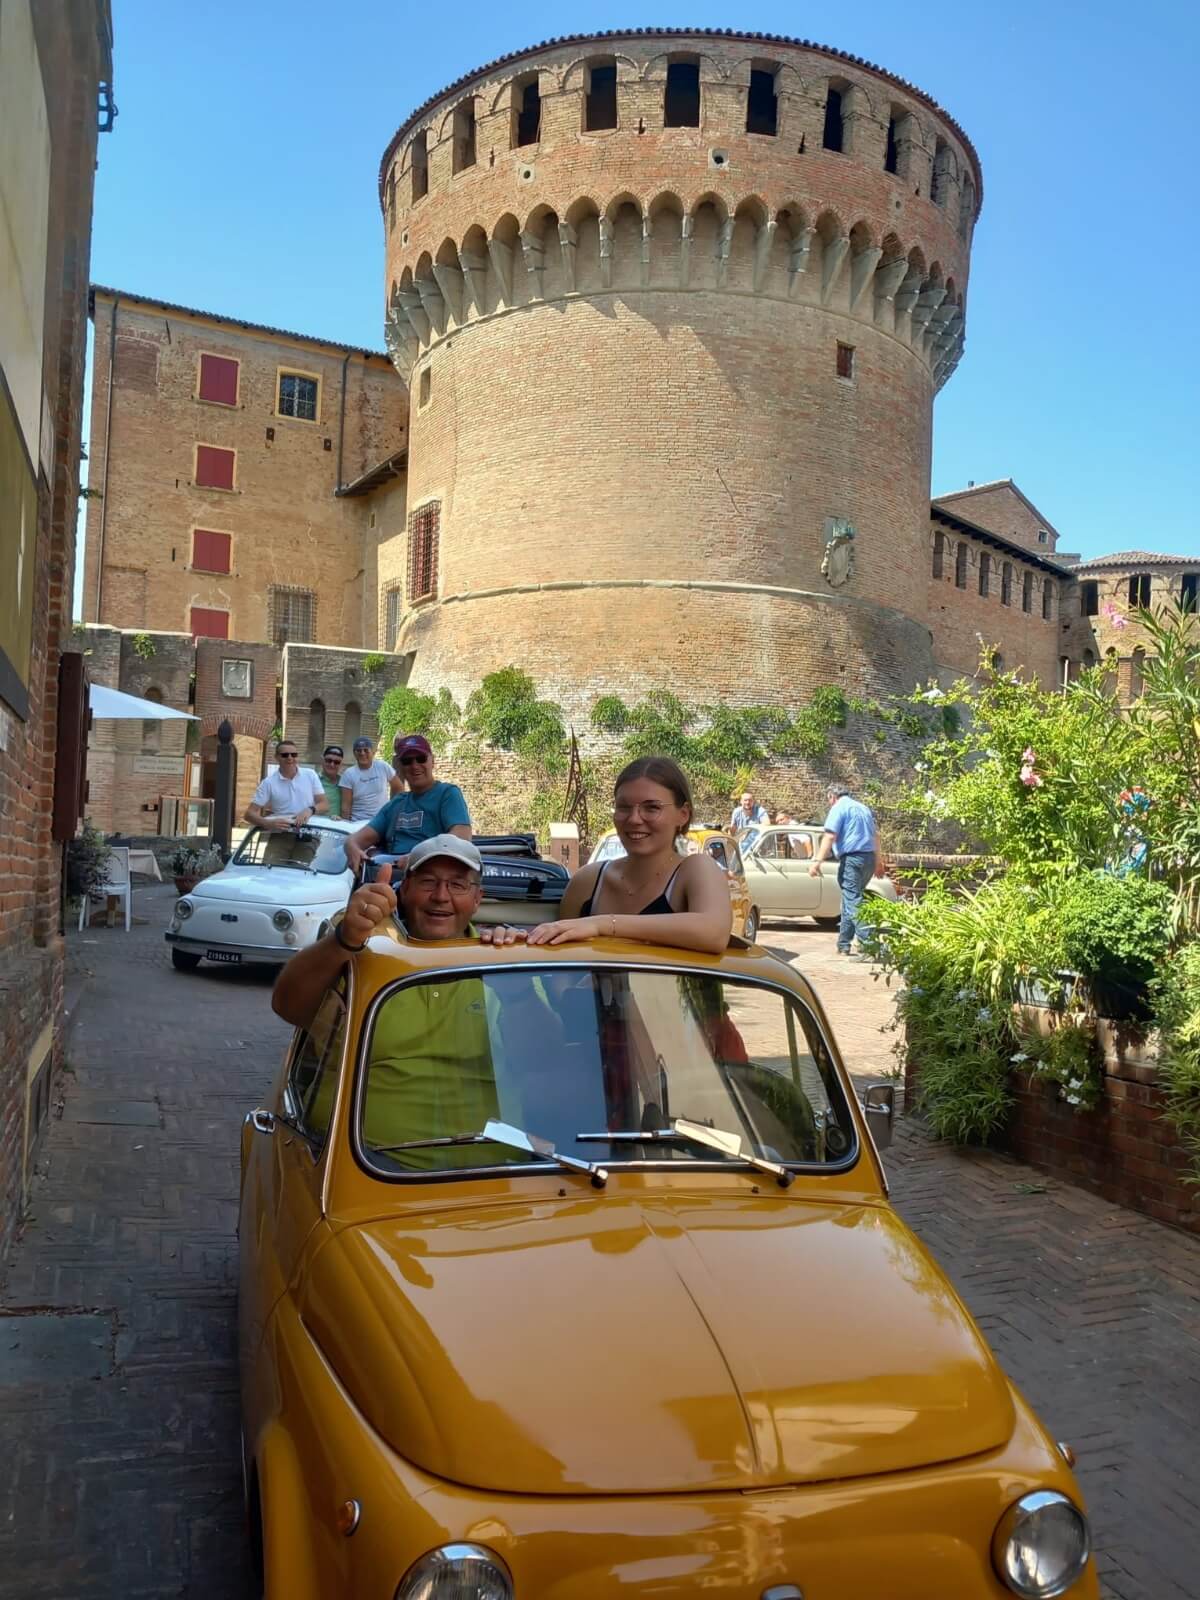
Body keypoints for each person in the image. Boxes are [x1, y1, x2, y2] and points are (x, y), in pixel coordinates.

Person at [273, 833, 519, 1028]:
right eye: (428, 882)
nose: (441, 896)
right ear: (406, 888)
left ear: (478, 899)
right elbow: (287, 1006)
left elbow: (540, 1061)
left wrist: (515, 981)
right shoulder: (360, 933)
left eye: (457, 885)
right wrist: (344, 941)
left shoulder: (498, 956)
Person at [520, 756, 732, 955]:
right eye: (624, 807)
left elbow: (714, 933)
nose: (634, 819)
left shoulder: (695, 869)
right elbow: (562, 966)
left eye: (651, 808)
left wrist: (601, 924)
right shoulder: (588, 881)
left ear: (683, 815)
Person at [345, 734, 471, 873]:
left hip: (429, 875)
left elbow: (462, 836)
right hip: (393, 874)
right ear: (400, 767)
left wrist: (419, 856)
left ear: (432, 761)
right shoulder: (396, 804)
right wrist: (352, 848)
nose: (414, 765)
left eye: (421, 759)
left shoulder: (447, 794)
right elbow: (355, 840)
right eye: (407, 761)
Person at [808, 784, 883, 957]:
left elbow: (830, 836)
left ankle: (869, 945)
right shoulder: (863, 808)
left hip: (852, 859)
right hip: (869, 859)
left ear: (832, 797)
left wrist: (817, 861)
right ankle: (843, 944)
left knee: (853, 900)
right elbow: (876, 836)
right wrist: (879, 862)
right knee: (850, 899)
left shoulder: (838, 808)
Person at [244, 739, 327, 831]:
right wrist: (267, 823)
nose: (290, 758)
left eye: (294, 755)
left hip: (308, 831)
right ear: (276, 757)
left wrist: (310, 810)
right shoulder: (268, 783)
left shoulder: (310, 775)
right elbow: (249, 814)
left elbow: (324, 804)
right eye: (285, 755)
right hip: (281, 833)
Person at [338, 734, 402, 822]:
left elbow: (398, 788)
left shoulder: (382, 766)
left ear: (373, 752)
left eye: (366, 750)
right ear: (354, 753)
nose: (362, 753)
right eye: (358, 750)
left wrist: (393, 808)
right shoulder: (349, 774)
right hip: (358, 822)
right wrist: (345, 825)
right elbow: (346, 806)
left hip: (382, 820)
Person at [316, 745, 345, 818]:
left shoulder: (345, 783)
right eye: (328, 760)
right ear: (322, 760)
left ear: (341, 764)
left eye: (336, 762)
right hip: (317, 825)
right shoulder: (313, 780)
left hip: (339, 825)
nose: (332, 765)